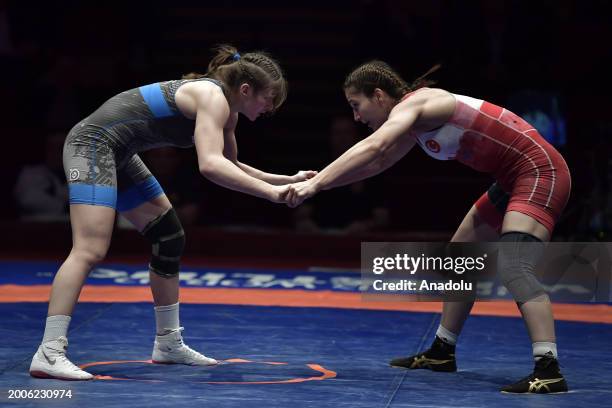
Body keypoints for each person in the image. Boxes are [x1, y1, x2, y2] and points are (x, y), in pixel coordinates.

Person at [30, 44, 316, 380]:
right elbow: (210, 166)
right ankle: (49, 351)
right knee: (89, 249)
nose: (270, 108)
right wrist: (272, 194)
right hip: (91, 145)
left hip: (118, 153)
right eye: (268, 99)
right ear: (245, 90)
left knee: (169, 238)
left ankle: (168, 343)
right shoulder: (212, 97)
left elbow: (232, 165)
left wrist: (287, 180)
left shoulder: (228, 113)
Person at [286, 61, 571, 394]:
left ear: (378, 95)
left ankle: (548, 368)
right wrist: (319, 181)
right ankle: (442, 351)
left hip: (540, 173)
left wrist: (317, 185)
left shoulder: (418, 103)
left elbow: (375, 147)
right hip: (512, 180)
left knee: (515, 267)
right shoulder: (413, 124)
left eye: (356, 105)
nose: (356, 117)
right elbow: (378, 163)